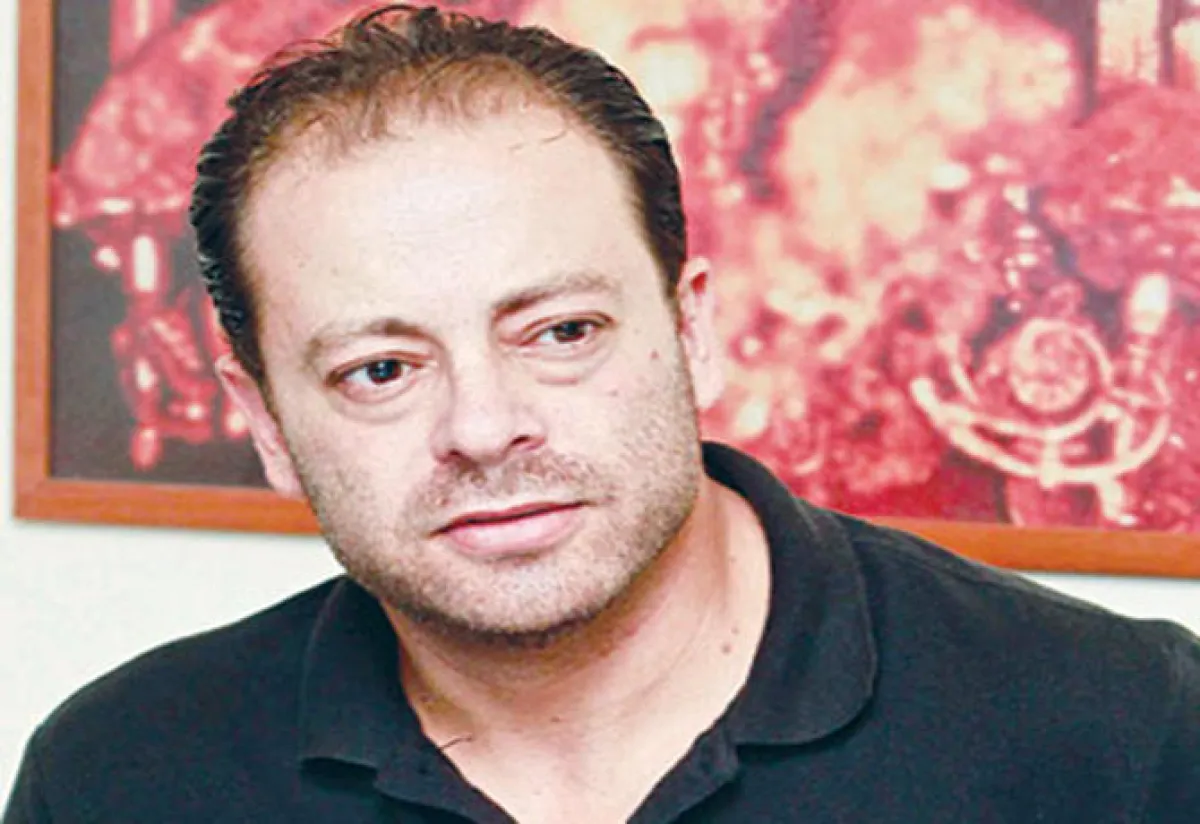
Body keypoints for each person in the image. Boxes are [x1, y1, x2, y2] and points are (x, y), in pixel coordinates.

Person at [6, 4, 1199, 822]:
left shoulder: (1124, 729)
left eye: (561, 331)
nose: (484, 425)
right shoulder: (121, 774)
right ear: (265, 421)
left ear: (692, 329)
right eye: (381, 368)